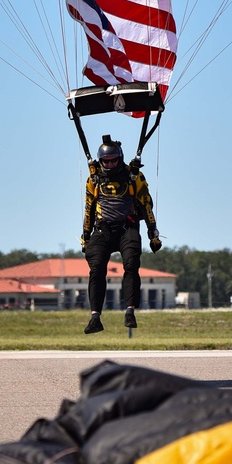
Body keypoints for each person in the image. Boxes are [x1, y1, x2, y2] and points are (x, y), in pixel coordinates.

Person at [80, 137, 161, 334]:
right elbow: (89, 208)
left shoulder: (134, 177)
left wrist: (153, 232)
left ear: (120, 158)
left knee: (131, 265)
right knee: (96, 268)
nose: (109, 164)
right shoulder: (94, 179)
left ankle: (130, 312)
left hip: (127, 228)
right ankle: (95, 318)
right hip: (102, 230)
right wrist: (85, 235)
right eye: (105, 161)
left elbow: (146, 204)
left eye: (113, 160)